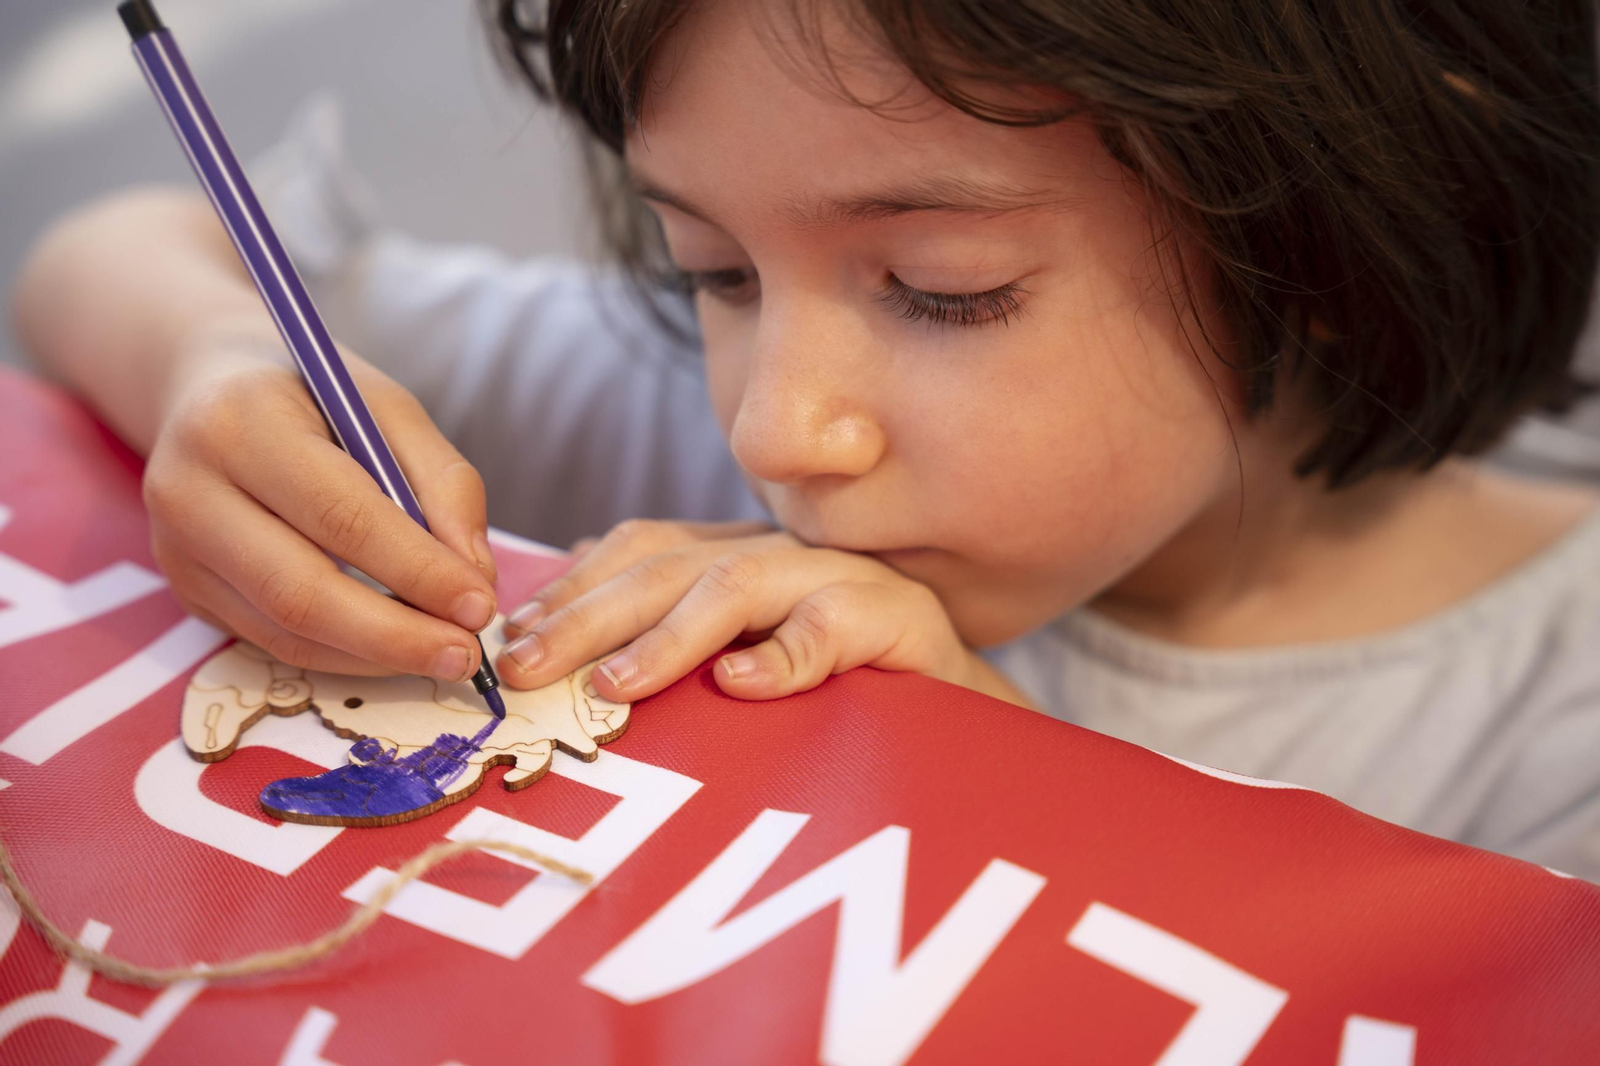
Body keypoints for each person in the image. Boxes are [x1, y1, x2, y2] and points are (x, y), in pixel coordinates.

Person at [13, 0, 1600, 877]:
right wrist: (214, 364)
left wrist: (996, 772)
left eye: (942, 288)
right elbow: (112, 253)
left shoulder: (1554, 754)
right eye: (714, 268)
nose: (775, 428)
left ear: (1340, 238)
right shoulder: (656, 416)